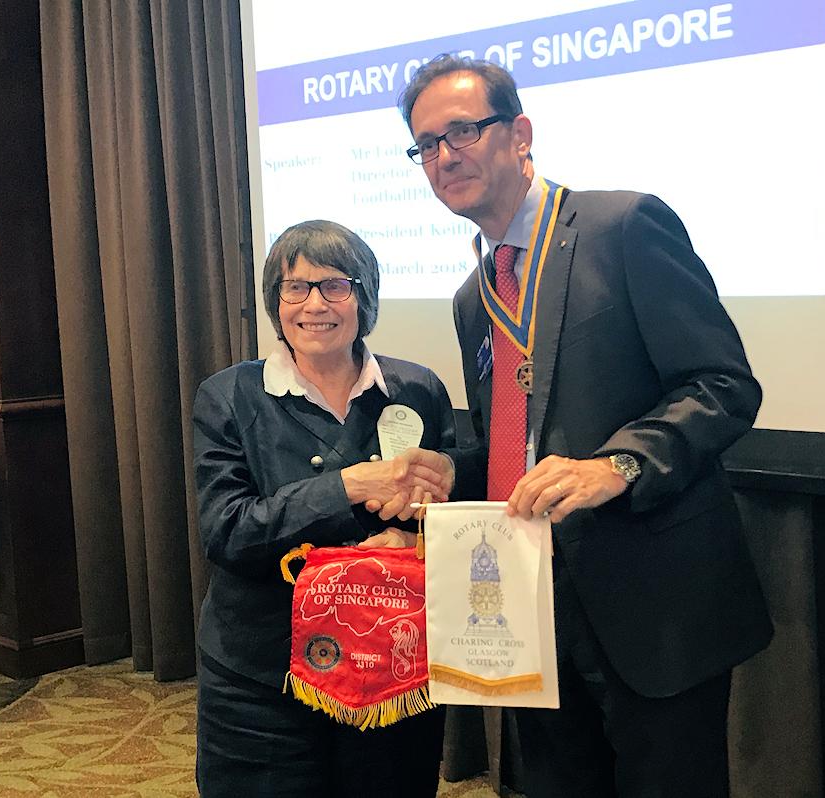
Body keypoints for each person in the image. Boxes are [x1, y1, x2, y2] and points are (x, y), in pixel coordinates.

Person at [397, 56, 775, 797]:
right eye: (426, 145)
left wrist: (619, 465)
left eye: (463, 131)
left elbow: (723, 385)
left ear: (520, 134)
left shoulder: (622, 226)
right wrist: (454, 471)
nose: (444, 157)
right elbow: (524, 433)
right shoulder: (473, 297)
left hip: (650, 605)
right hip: (529, 611)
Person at [192, 220, 457, 796]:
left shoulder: (419, 390)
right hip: (262, 679)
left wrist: (416, 546)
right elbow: (227, 533)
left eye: (335, 285)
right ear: (275, 301)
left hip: (394, 671)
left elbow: (460, 518)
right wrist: (348, 486)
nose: (314, 304)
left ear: (364, 298)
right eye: (295, 288)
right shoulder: (228, 398)